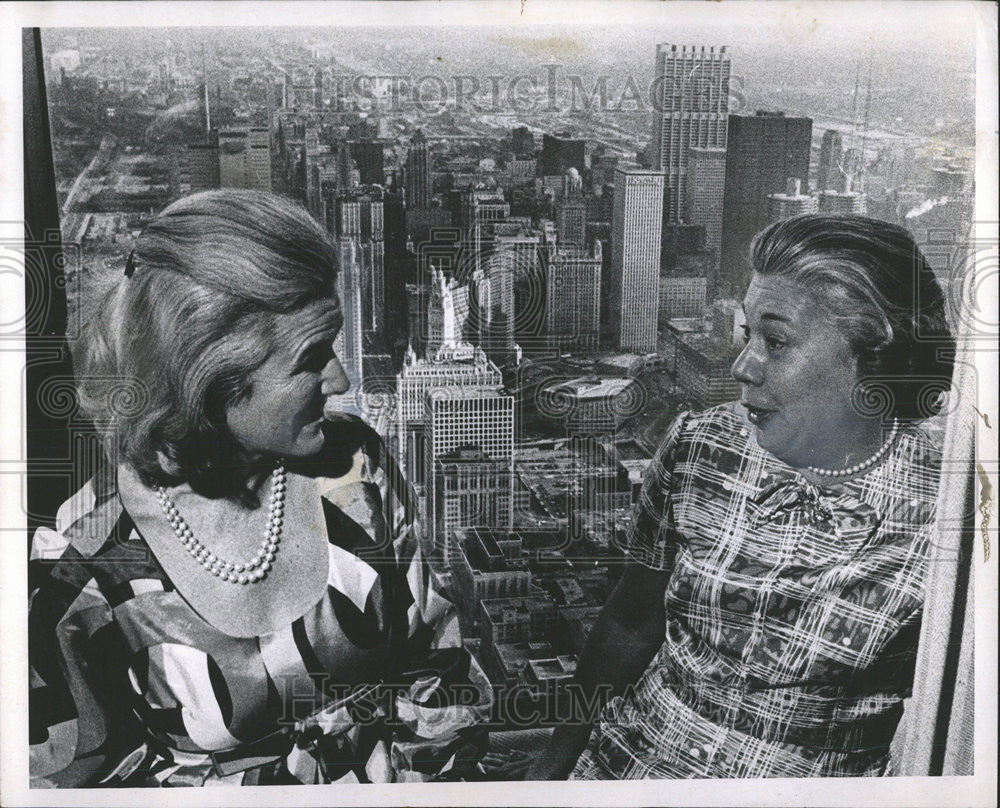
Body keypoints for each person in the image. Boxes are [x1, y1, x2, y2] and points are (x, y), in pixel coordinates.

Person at [28, 190, 491, 787]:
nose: (341, 378)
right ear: (212, 377)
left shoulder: (355, 467)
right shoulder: (82, 567)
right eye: (311, 359)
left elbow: (439, 677)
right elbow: (77, 783)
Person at [528, 214, 955, 779]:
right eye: (746, 334)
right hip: (627, 767)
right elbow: (630, 623)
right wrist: (556, 762)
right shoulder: (699, 443)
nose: (742, 367)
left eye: (775, 342)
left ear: (873, 353)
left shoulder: (950, 506)